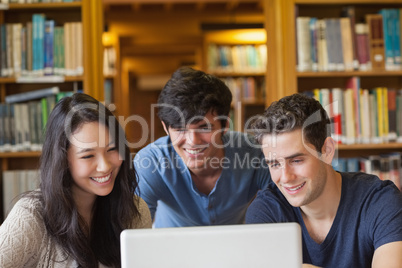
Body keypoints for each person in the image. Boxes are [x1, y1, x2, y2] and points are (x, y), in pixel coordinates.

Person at [246, 93, 402, 268]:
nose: (286, 177)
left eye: (296, 161)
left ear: (327, 151)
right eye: (274, 164)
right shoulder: (266, 212)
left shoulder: (380, 201)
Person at [0, 93, 152, 268]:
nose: (104, 166)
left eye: (112, 149)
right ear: (62, 161)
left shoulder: (135, 211)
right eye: (88, 155)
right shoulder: (31, 217)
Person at [134, 66, 271, 227]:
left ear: (224, 124)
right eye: (180, 129)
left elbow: (286, 210)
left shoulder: (255, 153)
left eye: (204, 127)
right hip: (171, 248)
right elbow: (135, 230)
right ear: (166, 128)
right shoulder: (151, 162)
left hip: (234, 247)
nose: (192, 141)